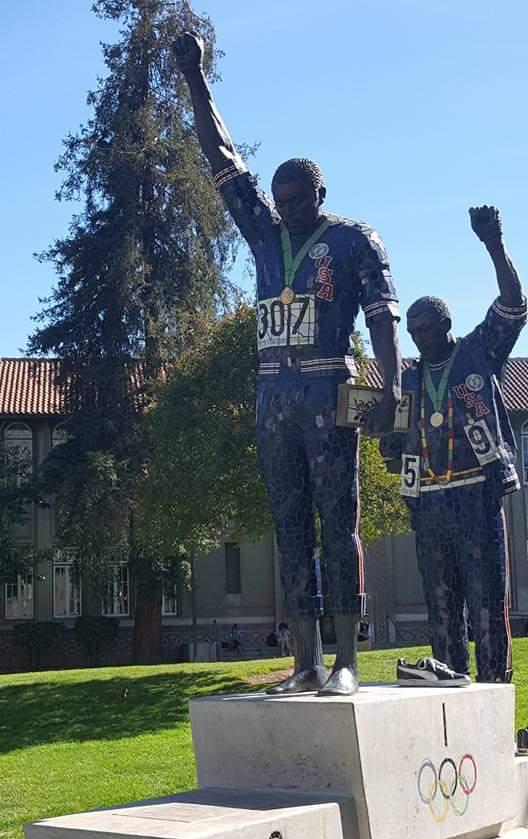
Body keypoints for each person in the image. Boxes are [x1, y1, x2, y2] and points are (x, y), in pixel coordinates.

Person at [174, 33, 401, 696]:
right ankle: (303, 661)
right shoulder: (265, 234)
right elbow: (221, 154)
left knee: (340, 522)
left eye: (300, 197)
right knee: (288, 527)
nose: (290, 207)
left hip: (329, 389)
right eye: (283, 197)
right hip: (273, 399)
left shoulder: (354, 240)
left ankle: (347, 661)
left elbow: (384, 316)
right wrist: (195, 76)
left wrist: (387, 388)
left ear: (321, 193)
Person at [381, 206, 526, 684]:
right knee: (441, 607)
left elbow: (512, 303)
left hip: (475, 493)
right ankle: (446, 695)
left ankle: (494, 698)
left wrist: (494, 244)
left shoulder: (477, 351)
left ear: (446, 325)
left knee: (487, 601)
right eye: (414, 332)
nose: (420, 338)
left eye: (427, 329)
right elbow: (386, 430)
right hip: (428, 503)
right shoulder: (408, 379)